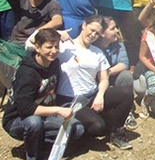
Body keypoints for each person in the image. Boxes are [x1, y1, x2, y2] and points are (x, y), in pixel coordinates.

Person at [2, 28, 84, 160]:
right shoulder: (27, 73)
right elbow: (26, 109)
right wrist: (58, 110)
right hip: (18, 120)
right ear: (37, 48)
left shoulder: (54, 64)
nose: (54, 51)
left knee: (77, 129)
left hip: (45, 116)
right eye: (49, 47)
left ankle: (37, 144)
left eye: (56, 47)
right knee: (34, 123)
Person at [56, 15, 134, 150]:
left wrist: (100, 95)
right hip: (71, 101)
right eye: (91, 30)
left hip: (91, 95)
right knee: (99, 127)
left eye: (97, 33)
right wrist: (55, 34)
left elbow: (104, 78)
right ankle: (79, 132)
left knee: (125, 93)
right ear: (84, 25)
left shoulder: (97, 52)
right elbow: (30, 44)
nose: (93, 35)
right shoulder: (63, 47)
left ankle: (117, 133)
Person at [93, 17, 137, 130]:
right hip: (95, 82)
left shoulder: (118, 43)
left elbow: (124, 63)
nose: (117, 31)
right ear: (102, 33)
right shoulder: (94, 47)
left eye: (116, 27)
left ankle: (127, 111)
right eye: (113, 29)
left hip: (112, 76)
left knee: (126, 76)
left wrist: (108, 72)